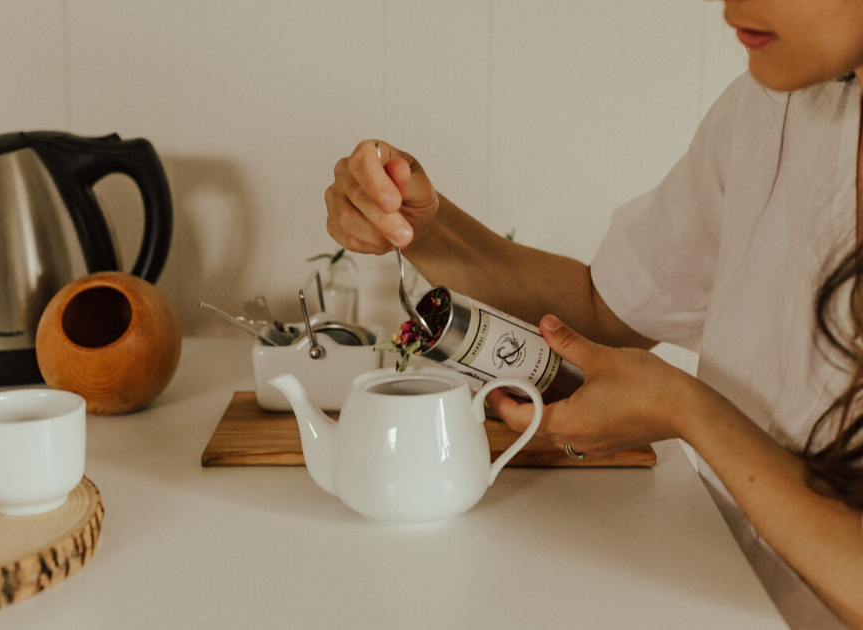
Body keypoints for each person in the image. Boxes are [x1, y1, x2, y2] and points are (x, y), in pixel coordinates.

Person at [323, 1, 863, 628]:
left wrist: (686, 409)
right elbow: (607, 306)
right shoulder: (775, 102)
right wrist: (424, 228)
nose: (730, 6)